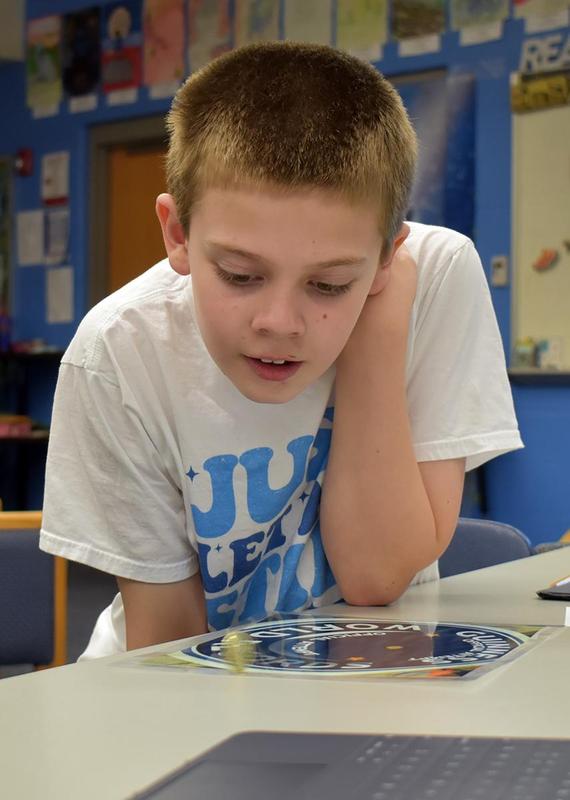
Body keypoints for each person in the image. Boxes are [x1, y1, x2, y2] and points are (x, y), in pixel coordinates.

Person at [40, 42, 522, 659]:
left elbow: (376, 577)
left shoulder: (434, 275)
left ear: (385, 257)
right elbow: (166, 649)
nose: (279, 322)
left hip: (364, 678)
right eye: (241, 275)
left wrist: (376, 334)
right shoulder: (117, 351)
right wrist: (349, 297)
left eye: (328, 284)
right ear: (177, 235)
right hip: (168, 684)